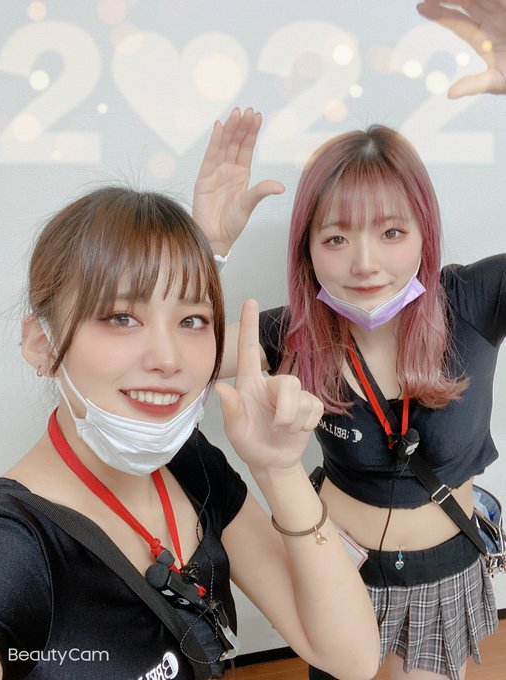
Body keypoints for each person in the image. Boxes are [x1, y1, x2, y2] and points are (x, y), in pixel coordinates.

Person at [191, 2, 506, 679]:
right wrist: (206, 249)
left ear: (424, 232)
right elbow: (177, 362)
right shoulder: (290, 332)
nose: (365, 264)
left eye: (391, 232)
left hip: (446, 569)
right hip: (336, 568)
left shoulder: (474, 300)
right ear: (307, 249)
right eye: (336, 238)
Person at [0, 187, 380, 680]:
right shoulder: (15, 545)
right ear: (41, 343)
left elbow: (351, 658)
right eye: (121, 318)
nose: (169, 358)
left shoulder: (189, 462)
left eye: (192, 320)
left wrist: (279, 470)